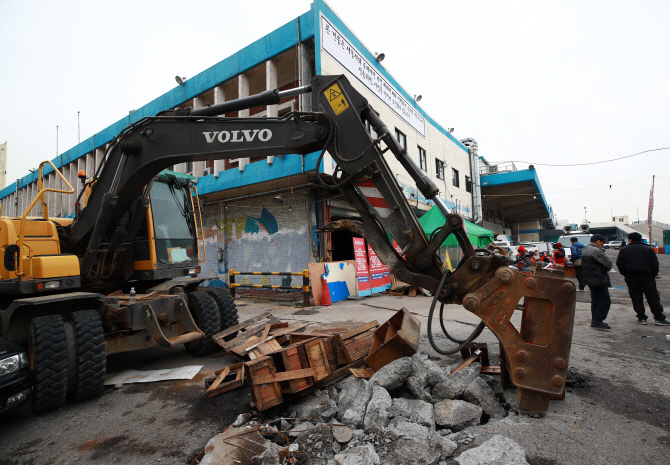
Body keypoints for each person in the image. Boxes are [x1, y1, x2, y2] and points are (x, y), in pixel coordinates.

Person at [615, 232, 670, 326]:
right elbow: (655, 263)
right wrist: (653, 274)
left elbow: (619, 263)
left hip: (631, 277)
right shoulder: (648, 249)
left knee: (636, 297)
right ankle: (659, 318)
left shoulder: (624, 249)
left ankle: (642, 318)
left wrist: (625, 274)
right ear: (640, 239)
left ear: (630, 240)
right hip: (647, 276)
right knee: (652, 296)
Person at [582, 234, 613, 330]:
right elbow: (608, 264)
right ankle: (598, 320)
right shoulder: (596, 251)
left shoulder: (587, 249)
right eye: (602, 242)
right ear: (598, 241)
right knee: (605, 300)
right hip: (598, 278)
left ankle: (595, 319)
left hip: (590, 278)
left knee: (596, 300)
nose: (603, 245)